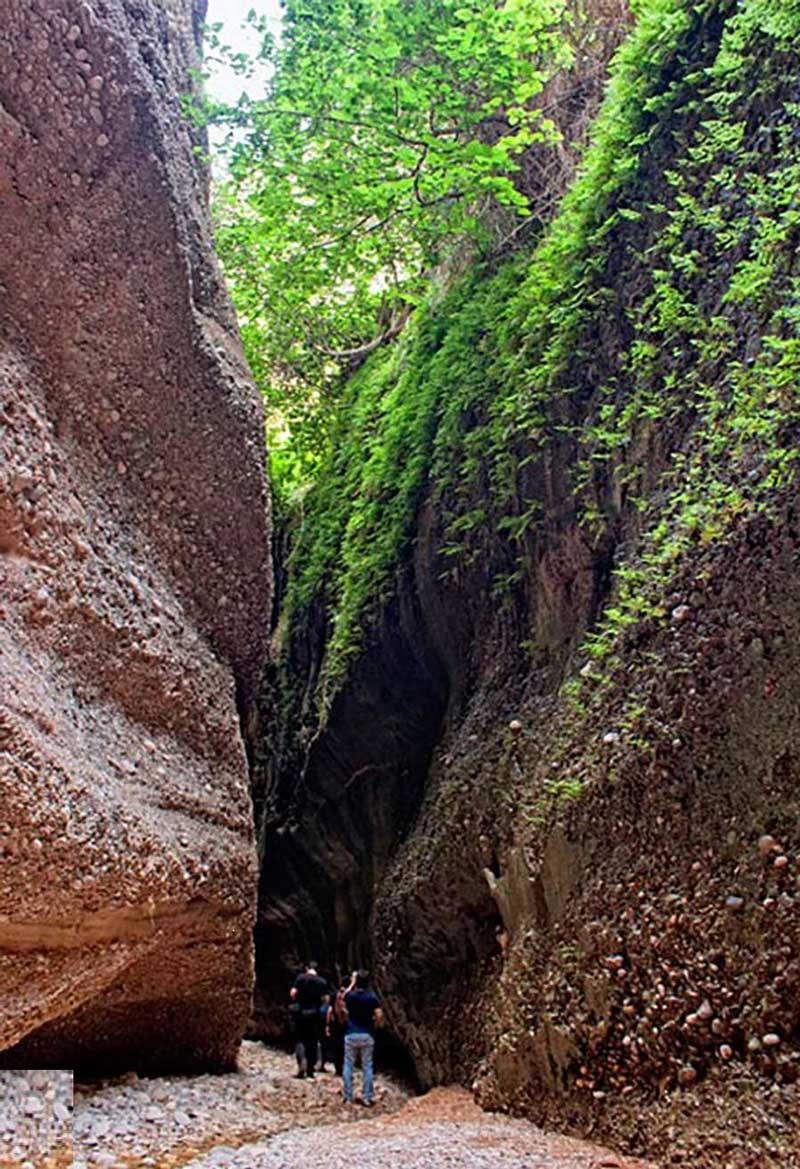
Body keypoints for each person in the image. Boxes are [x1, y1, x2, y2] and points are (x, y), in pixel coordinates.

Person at [342, 969, 381, 1106]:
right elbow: (379, 1015)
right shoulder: (372, 997)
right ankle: (367, 1096)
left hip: (351, 1033)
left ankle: (347, 1096)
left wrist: (352, 982)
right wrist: (374, 1024)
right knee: (367, 1066)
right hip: (367, 1034)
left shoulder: (350, 996)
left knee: (348, 1065)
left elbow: (343, 997)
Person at [290, 961, 328, 1079]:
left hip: (301, 1012)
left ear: (307, 968)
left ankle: (301, 1064)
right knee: (312, 1041)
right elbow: (326, 999)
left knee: (300, 1039)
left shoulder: (300, 978)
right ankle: (311, 1070)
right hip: (315, 1014)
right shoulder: (322, 982)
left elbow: (293, 993)